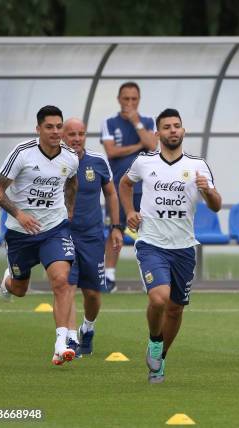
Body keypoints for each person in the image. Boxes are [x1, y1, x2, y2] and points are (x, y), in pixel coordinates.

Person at [119, 108, 221, 383]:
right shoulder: (144, 162)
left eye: (177, 126)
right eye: (167, 127)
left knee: (175, 308)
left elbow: (216, 205)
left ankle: (160, 360)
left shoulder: (198, 165)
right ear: (158, 133)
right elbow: (125, 184)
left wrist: (208, 191)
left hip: (184, 247)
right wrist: (129, 211)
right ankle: (154, 340)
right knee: (159, 298)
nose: (173, 130)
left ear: (183, 131)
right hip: (152, 243)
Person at [0, 105, 79, 366]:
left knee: (61, 280)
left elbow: (72, 182)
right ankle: (8, 281)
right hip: (21, 233)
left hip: (55, 229)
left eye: (59, 126)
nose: (55, 132)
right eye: (49, 127)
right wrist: (19, 214)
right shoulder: (22, 154)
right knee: (20, 289)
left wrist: (69, 211)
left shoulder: (70, 157)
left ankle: (61, 342)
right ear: (38, 128)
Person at [62, 118, 124, 357]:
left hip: (92, 237)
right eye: (72, 134)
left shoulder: (97, 162)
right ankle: (69, 340)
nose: (76, 138)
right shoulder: (55, 163)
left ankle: (87, 328)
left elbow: (111, 193)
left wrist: (116, 227)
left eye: (81, 133)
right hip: (62, 235)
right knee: (66, 286)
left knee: (92, 294)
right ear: (63, 136)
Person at [101, 81, 157, 292]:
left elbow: (152, 146)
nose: (130, 103)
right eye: (126, 98)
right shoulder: (109, 122)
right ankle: (109, 276)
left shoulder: (148, 121)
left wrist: (137, 123)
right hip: (117, 189)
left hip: (146, 189)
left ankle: (151, 276)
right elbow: (111, 152)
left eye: (134, 99)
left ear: (139, 100)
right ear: (119, 99)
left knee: (148, 233)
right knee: (115, 229)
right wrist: (138, 146)